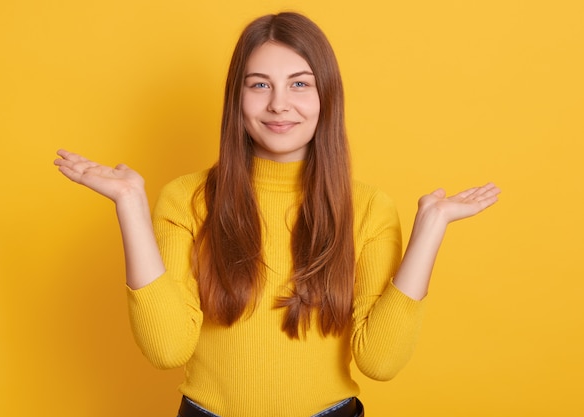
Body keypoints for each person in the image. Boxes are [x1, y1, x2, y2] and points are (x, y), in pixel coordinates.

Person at [54, 12, 500, 417]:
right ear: (237, 97)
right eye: (260, 84)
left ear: (327, 96)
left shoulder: (368, 208)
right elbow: (167, 348)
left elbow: (380, 362)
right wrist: (130, 204)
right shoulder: (185, 200)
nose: (279, 105)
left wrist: (431, 229)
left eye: (300, 84)